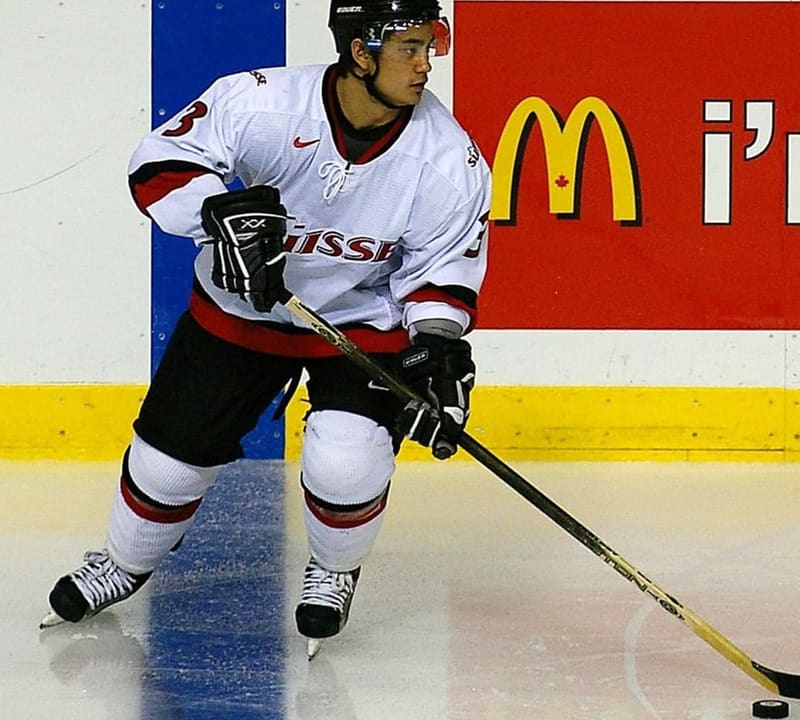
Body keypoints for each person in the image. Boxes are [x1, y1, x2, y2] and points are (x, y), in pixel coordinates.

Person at [40, 0, 491, 660]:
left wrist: (437, 343)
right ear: (361, 53)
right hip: (240, 309)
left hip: (360, 326)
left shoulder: (449, 160)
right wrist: (214, 213)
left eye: (434, 45)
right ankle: (123, 562)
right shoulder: (263, 104)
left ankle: (335, 570)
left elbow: (443, 270)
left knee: (344, 460)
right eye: (411, 48)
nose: (428, 65)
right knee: (165, 467)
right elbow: (160, 160)